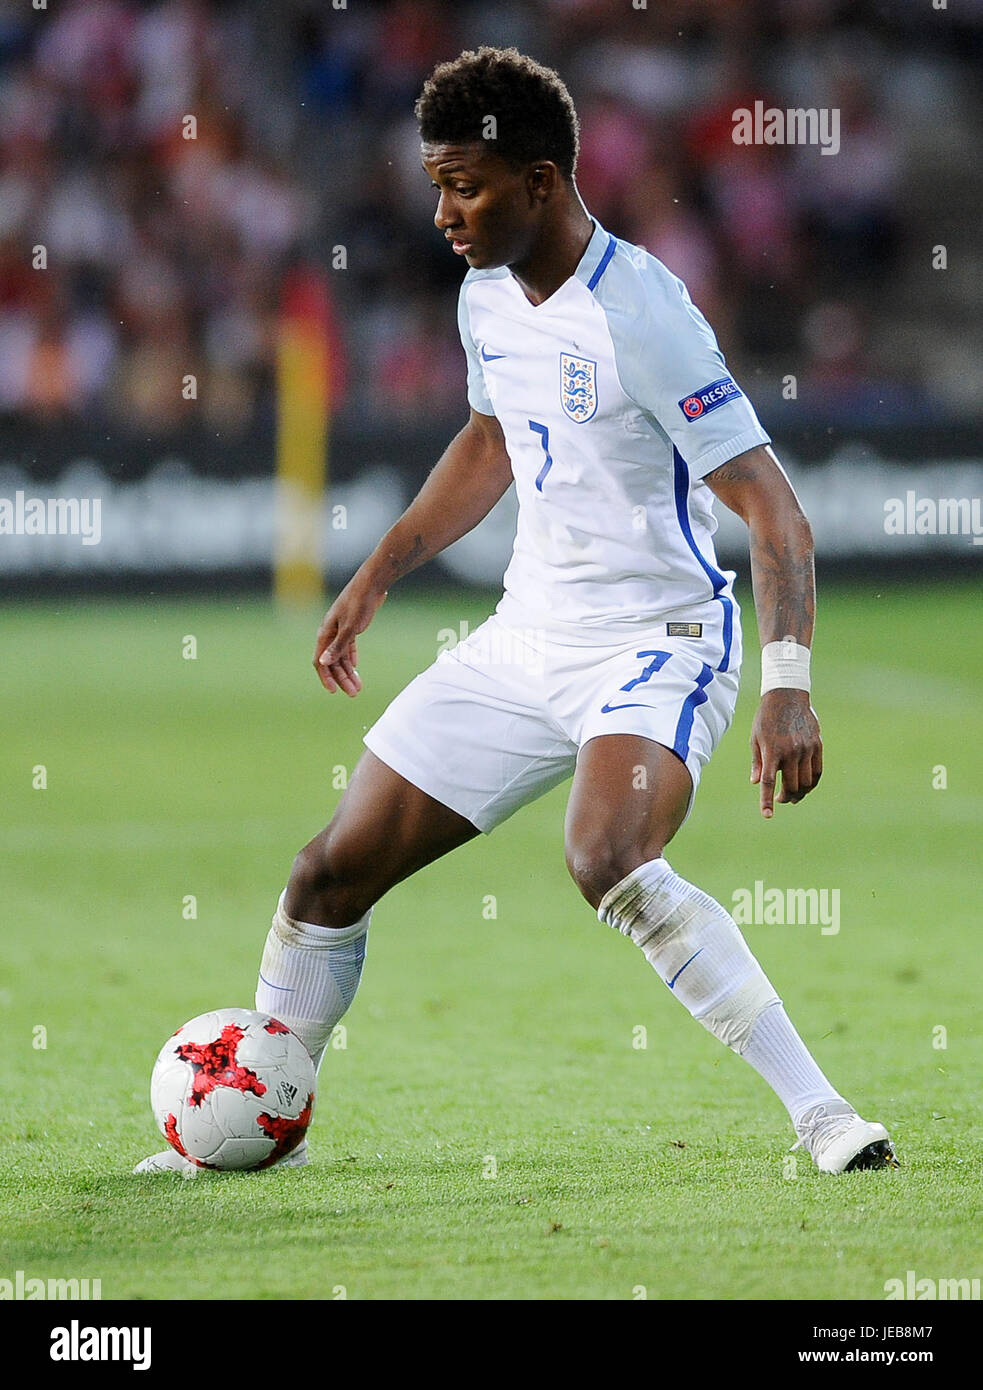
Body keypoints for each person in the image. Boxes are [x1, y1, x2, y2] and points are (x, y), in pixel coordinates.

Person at [137, 48, 895, 1177]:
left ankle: (822, 1112)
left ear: (541, 181)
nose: (443, 211)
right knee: (324, 877)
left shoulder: (644, 312)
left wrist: (787, 688)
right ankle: (263, 1120)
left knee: (607, 854)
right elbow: (492, 436)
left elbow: (775, 513)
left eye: (466, 185)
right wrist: (381, 567)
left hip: (656, 643)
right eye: (438, 184)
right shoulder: (483, 294)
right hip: (522, 641)